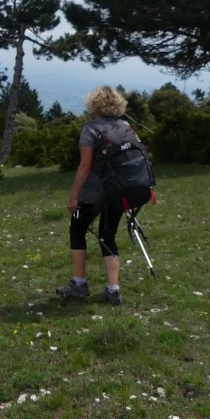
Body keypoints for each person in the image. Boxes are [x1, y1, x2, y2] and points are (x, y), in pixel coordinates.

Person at [56, 85, 130, 306]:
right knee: (108, 237)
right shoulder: (125, 126)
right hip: (118, 191)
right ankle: (113, 290)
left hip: (93, 193)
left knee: (77, 231)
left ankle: (79, 284)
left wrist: (73, 196)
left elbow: (86, 165)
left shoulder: (90, 129)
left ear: (93, 104)